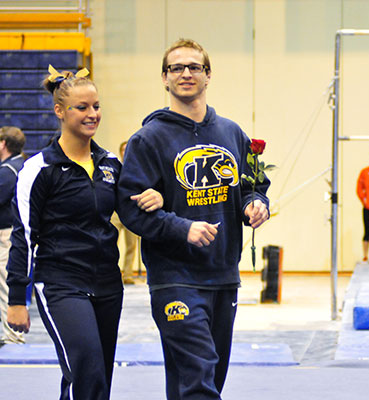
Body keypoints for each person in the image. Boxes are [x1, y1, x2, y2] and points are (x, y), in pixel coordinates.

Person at [116, 38, 270, 399]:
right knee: (198, 376)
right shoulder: (148, 140)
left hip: (223, 276)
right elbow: (130, 207)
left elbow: (254, 184)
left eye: (194, 67)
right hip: (175, 278)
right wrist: (181, 228)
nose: (186, 73)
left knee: (203, 378)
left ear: (208, 75)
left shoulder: (232, 133)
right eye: (176, 68)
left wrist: (255, 203)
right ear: (165, 78)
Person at [5, 67, 163, 399]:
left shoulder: (109, 164)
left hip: (107, 283)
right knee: (86, 369)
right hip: (61, 283)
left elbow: (133, 214)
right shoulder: (40, 169)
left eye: (96, 106)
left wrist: (157, 197)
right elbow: (24, 236)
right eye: (82, 107)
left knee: (97, 378)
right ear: (59, 111)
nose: (92, 114)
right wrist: (18, 299)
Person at [0, 126, 26, 344]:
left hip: (6, 234)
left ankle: (13, 333)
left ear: (3, 144)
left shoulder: (9, 170)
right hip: (10, 231)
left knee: (4, 282)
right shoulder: (19, 165)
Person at [110, 140, 139, 284]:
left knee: (131, 245)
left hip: (131, 210)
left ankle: (127, 275)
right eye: (123, 150)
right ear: (120, 152)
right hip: (115, 211)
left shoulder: (138, 168)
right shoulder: (114, 167)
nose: (125, 152)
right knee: (110, 243)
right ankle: (111, 273)